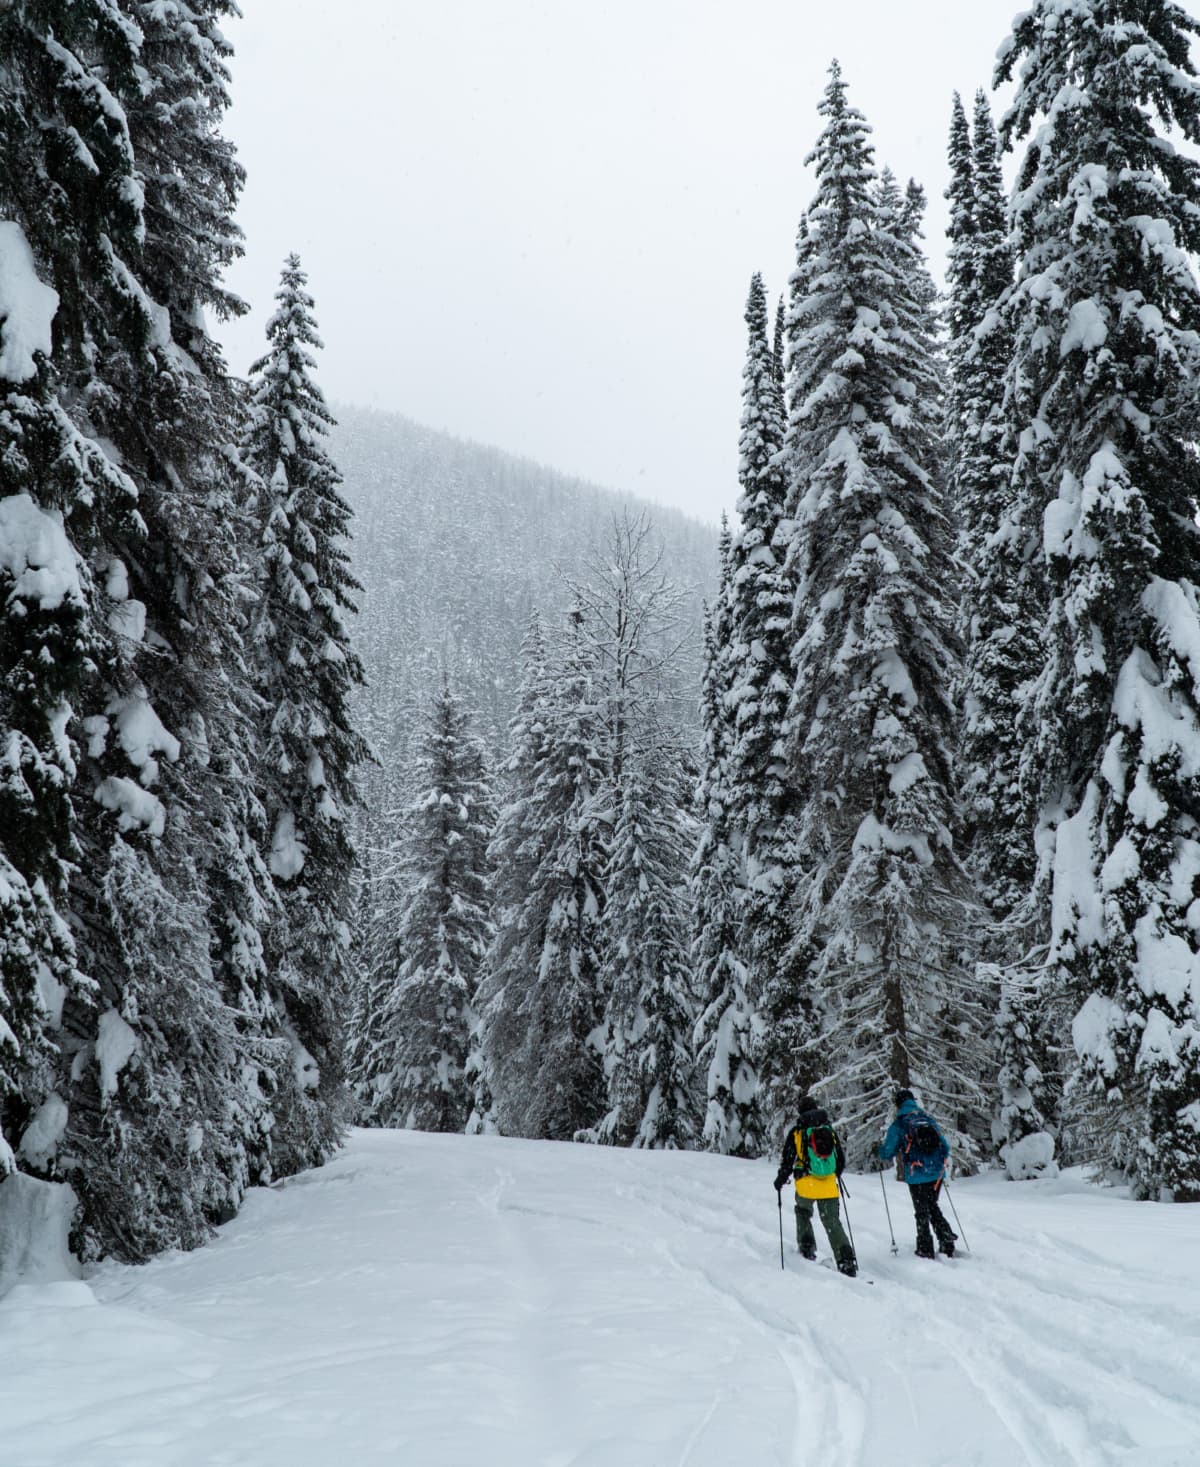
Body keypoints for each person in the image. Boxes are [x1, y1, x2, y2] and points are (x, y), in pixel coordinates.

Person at [773, 1092, 857, 1276]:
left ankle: (807, 1248)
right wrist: (832, 1174)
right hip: (828, 1185)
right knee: (832, 1222)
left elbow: (787, 1160)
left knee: (803, 1212)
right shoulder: (829, 1129)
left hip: (806, 1183)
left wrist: (780, 1179)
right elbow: (840, 1160)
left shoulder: (798, 1131)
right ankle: (846, 1260)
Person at [878, 1089, 956, 1259]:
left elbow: (888, 1152)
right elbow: (946, 1147)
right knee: (932, 1206)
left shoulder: (899, 1124)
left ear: (898, 1104)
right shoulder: (927, 1119)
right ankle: (946, 1238)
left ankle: (925, 1248)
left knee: (922, 1210)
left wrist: (878, 1150)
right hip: (936, 1173)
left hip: (917, 1174)